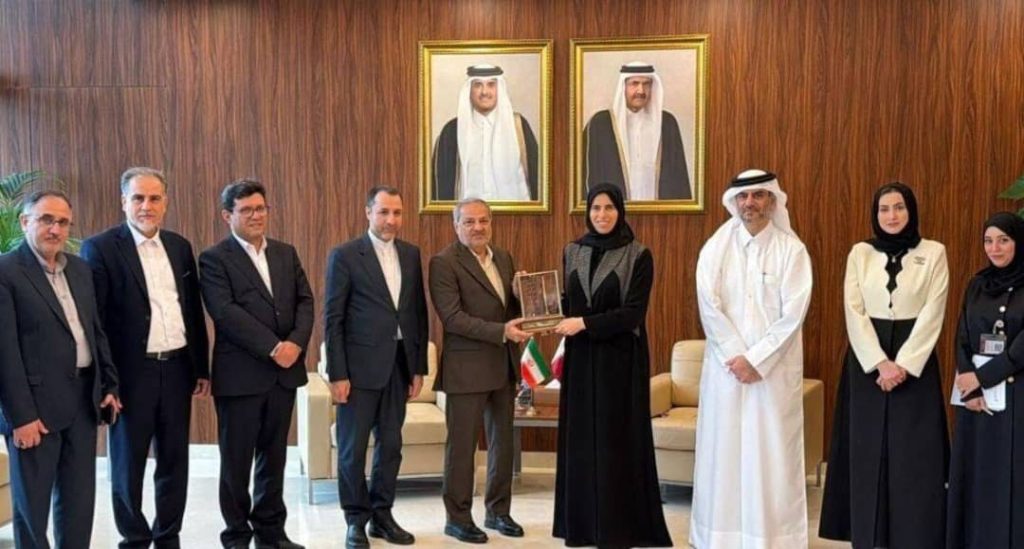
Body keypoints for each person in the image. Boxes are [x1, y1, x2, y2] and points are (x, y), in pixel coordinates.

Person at [81, 167, 210, 549]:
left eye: (154, 198)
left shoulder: (179, 246)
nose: (146, 206)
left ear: (165, 203)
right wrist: (107, 382)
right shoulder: (101, 248)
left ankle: (168, 536)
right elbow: (95, 323)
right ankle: (134, 539)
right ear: (124, 202)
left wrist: (200, 367)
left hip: (176, 369)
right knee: (128, 465)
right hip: (130, 375)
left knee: (174, 461)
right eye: (138, 198)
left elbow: (191, 311)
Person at [818, 182, 949, 548]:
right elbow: (854, 311)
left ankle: (915, 536)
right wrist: (879, 363)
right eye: (884, 209)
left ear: (912, 211)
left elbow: (934, 312)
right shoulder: (859, 253)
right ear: (875, 215)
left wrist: (903, 364)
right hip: (867, 364)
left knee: (914, 453)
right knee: (867, 449)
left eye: (899, 207)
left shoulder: (934, 252)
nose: (892, 216)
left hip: (915, 362)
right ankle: (868, 534)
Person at [690, 169, 813, 548]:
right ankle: (719, 537)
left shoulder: (792, 250)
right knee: (723, 454)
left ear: (772, 200)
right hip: (726, 371)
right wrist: (736, 357)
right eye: (743, 196)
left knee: (771, 454)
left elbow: (793, 315)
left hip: (772, 374)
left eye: (758, 195)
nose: (750, 203)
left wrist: (756, 360)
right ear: (733, 202)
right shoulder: (715, 248)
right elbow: (708, 305)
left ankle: (773, 538)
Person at [551, 183, 672, 547]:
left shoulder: (639, 254)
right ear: (587, 212)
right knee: (582, 442)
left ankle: (618, 529)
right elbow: (568, 303)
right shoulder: (572, 250)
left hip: (619, 363)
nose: (601, 215)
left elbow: (632, 313)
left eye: (609, 208)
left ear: (620, 211)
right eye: (595, 208)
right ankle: (583, 527)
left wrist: (584, 323)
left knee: (615, 443)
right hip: (580, 361)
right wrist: (533, 296)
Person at [0, 190, 121, 549]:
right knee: (32, 512)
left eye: (63, 222)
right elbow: (4, 352)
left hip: (82, 403)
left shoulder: (79, 269)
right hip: (34, 412)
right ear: (25, 222)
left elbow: (94, 332)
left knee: (78, 504)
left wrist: (108, 385)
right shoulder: (6, 271)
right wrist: (21, 417)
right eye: (46, 220)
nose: (55, 229)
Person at [199, 179, 313, 549]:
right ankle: (236, 535)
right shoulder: (215, 259)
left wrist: (296, 344)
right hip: (241, 377)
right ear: (227, 215)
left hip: (284, 375)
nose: (255, 216)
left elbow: (305, 302)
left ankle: (271, 532)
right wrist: (274, 347)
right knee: (237, 462)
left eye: (260, 208)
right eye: (246, 210)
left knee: (274, 457)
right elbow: (225, 312)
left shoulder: (285, 253)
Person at [324, 186, 428, 549]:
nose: (391, 220)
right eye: (383, 212)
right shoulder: (345, 255)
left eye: (397, 213)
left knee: (392, 446)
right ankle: (356, 520)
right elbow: (333, 319)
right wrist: (337, 374)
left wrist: (418, 367)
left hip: (399, 367)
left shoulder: (411, 254)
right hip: (358, 371)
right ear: (368, 212)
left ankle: (382, 516)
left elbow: (417, 314)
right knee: (352, 451)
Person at [428, 197, 528, 543]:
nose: (477, 227)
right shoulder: (443, 262)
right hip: (466, 368)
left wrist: (522, 296)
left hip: (503, 365)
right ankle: (457, 518)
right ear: (456, 225)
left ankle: (498, 512)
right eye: (469, 221)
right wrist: (502, 332)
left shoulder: (503, 257)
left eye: (483, 220)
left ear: (491, 223)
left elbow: (508, 309)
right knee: (462, 448)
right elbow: (453, 318)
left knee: (503, 445)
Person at [947, 212, 1024, 548]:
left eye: (1004, 240)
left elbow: (1021, 349)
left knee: (1011, 475)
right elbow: (962, 335)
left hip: (1016, 399)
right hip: (976, 401)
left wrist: (981, 378)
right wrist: (969, 385)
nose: (995, 248)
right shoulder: (977, 284)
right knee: (978, 473)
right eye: (988, 241)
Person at [582, 61, 691, 201]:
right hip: (614, 211)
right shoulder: (600, 124)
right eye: (634, 84)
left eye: (646, 84)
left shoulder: (667, 123)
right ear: (623, 87)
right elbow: (586, 176)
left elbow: (680, 177)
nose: (641, 90)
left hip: (659, 210)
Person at [432, 64, 539, 201]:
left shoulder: (519, 127)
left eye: (491, 85)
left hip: (515, 211)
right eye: (478, 85)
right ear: (469, 90)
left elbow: (538, 177)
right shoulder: (452, 131)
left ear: (499, 89)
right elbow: (440, 186)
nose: (484, 92)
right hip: (467, 213)